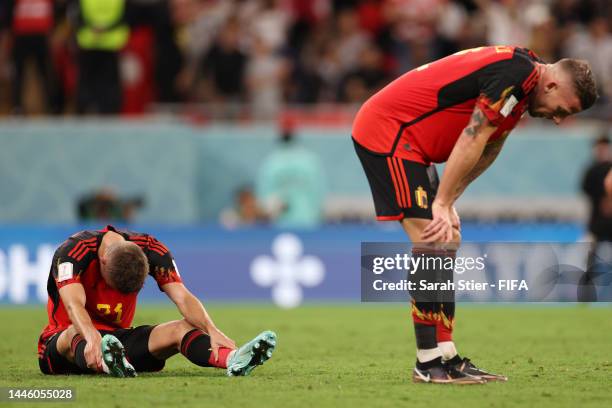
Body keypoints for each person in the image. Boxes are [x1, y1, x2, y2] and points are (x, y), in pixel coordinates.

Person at [352, 45, 597, 384]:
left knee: (449, 238)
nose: (558, 119)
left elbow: (490, 146)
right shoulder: (516, 74)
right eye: (563, 110)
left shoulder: (523, 85)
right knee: (431, 238)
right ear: (553, 86)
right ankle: (427, 362)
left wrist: (450, 200)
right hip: (388, 132)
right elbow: (473, 135)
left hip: (414, 147)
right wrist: (440, 204)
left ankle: (447, 355)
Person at [38, 225, 276, 377]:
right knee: (72, 333)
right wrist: (91, 338)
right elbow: (73, 305)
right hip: (65, 346)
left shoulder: (152, 250)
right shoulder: (73, 252)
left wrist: (211, 328)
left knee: (183, 327)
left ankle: (233, 360)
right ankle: (106, 362)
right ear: (102, 263)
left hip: (118, 346)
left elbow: (182, 296)